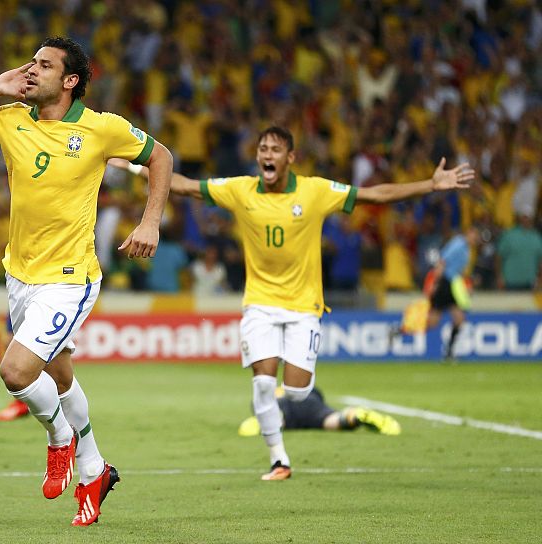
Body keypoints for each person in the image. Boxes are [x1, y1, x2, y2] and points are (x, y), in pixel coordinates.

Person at [111, 125, 473, 481]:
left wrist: (430, 185)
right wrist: (132, 164)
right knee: (263, 384)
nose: (267, 155)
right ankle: (279, 460)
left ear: (290, 158)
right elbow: (185, 185)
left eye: (275, 150)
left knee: (298, 391)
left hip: (303, 307)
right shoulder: (240, 189)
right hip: (259, 303)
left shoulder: (315, 191)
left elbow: (375, 195)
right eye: (262, 149)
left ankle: (297, 408)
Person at [0, 36, 172, 526]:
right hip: (20, 274)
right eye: (31, 62)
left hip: (69, 278)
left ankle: (60, 439)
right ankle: (95, 470)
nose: (31, 70)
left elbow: (161, 157)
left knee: (16, 373)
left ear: (70, 81)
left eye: (44, 65)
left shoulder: (101, 128)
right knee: (60, 377)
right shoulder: (10, 118)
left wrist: (150, 221)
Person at [392, 225, 480, 360]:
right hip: (444, 284)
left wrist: (466, 285)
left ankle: (449, 352)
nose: (475, 239)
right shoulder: (458, 244)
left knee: (459, 318)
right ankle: (400, 330)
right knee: (433, 322)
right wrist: (434, 283)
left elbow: (458, 270)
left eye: (477, 237)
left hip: (452, 285)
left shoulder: (467, 249)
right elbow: (442, 262)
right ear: (468, 233)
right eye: (474, 235)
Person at [237, 386, 401, 435]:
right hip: (311, 404)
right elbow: (317, 393)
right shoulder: (298, 386)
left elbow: (258, 403)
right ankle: (355, 415)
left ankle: (266, 422)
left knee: (277, 419)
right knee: (332, 420)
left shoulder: (275, 394)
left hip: (284, 407)